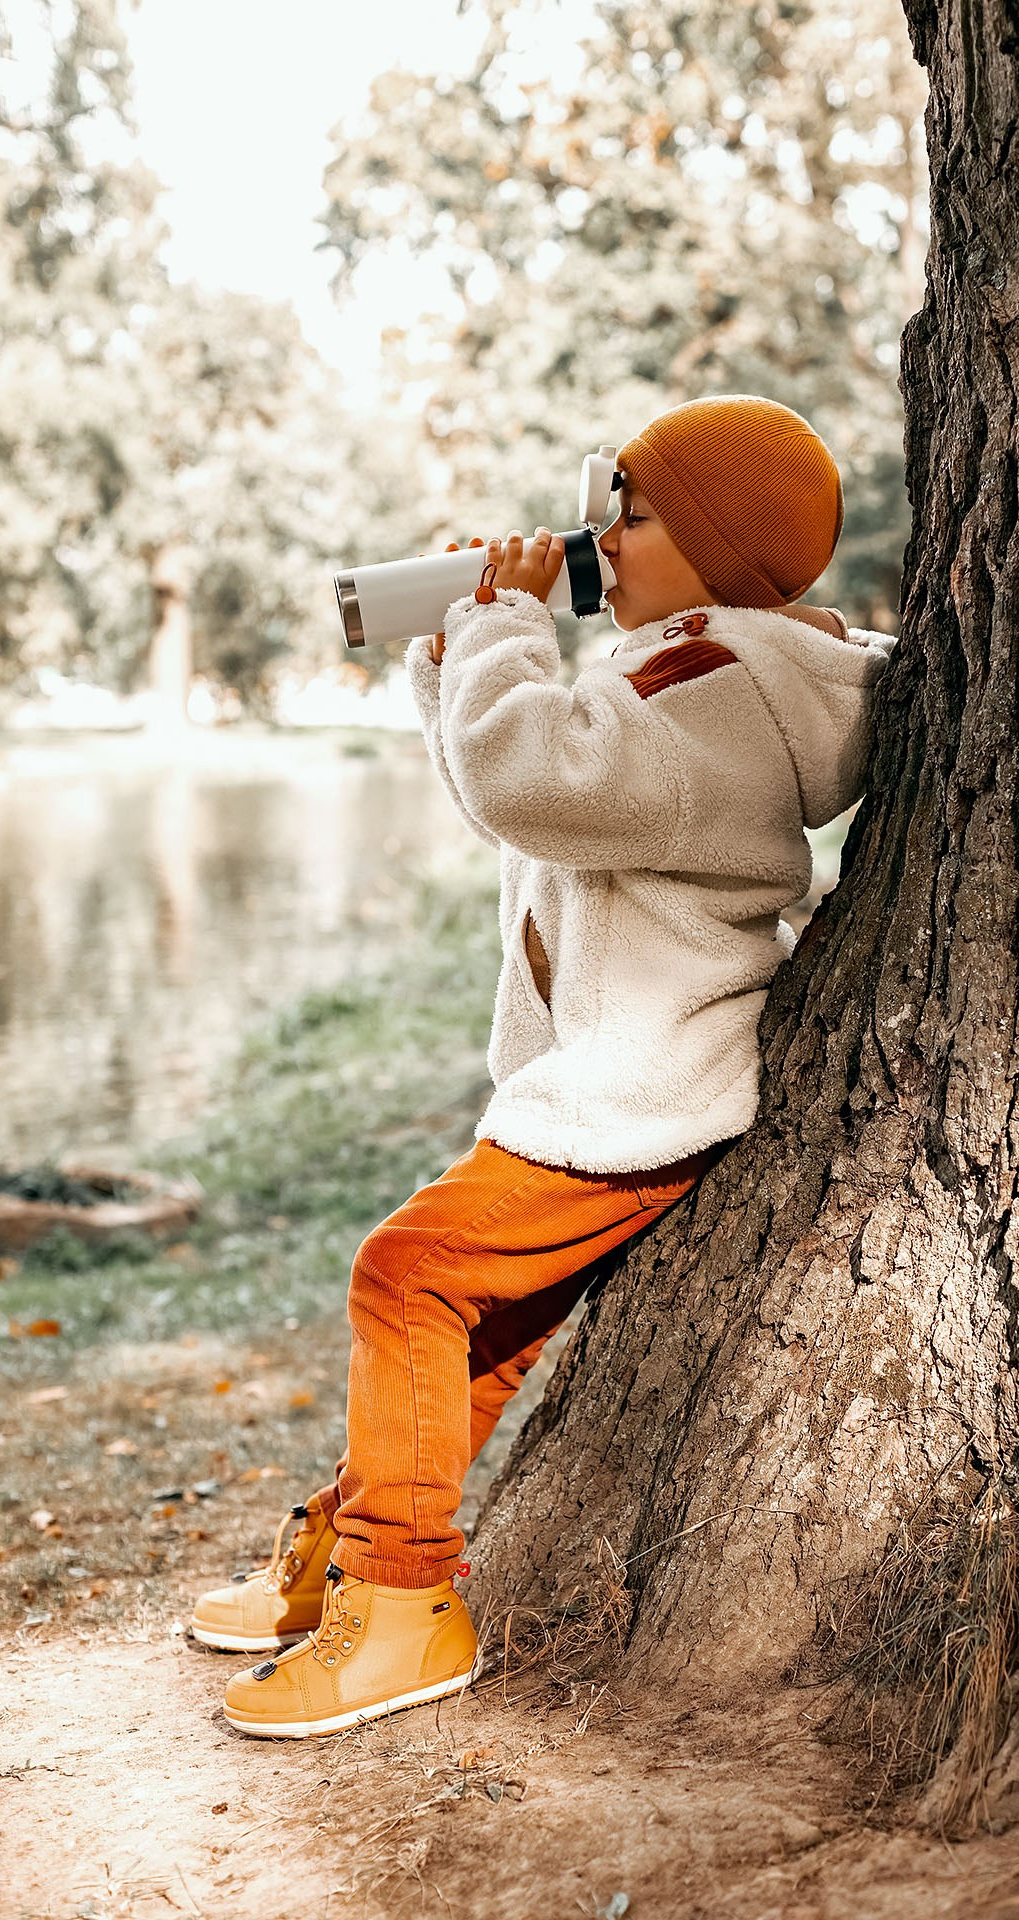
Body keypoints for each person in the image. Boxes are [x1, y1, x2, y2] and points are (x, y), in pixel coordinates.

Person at [193, 393, 898, 1738]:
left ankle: (402, 1604)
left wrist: (510, 627)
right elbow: (507, 787)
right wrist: (461, 644)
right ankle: (359, 1553)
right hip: (621, 1069)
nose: (601, 539)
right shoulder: (702, 669)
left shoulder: (699, 690)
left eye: (632, 514)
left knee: (403, 1276)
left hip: (641, 1082)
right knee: (479, 1337)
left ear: (717, 544)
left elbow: (528, 781)